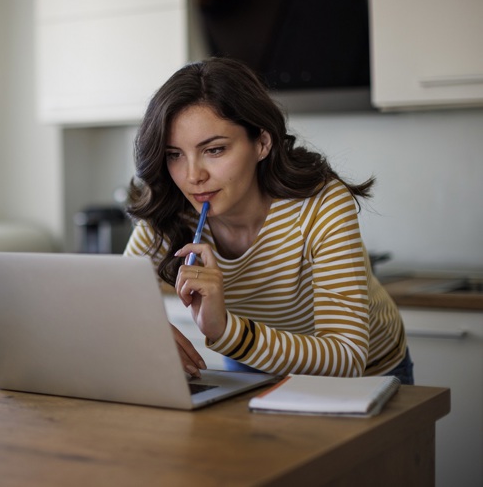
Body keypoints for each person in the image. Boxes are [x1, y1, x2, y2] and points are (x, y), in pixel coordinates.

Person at [124, 57, 414, 384]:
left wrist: (225, 330)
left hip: (367, 374)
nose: (193, 176)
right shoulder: (171, 211)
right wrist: (143, 332)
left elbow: (347, 356)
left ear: (261, 142)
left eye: (215, 150)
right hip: (253, 364)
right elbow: (115, 302)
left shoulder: (321, 203)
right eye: (174, 155)